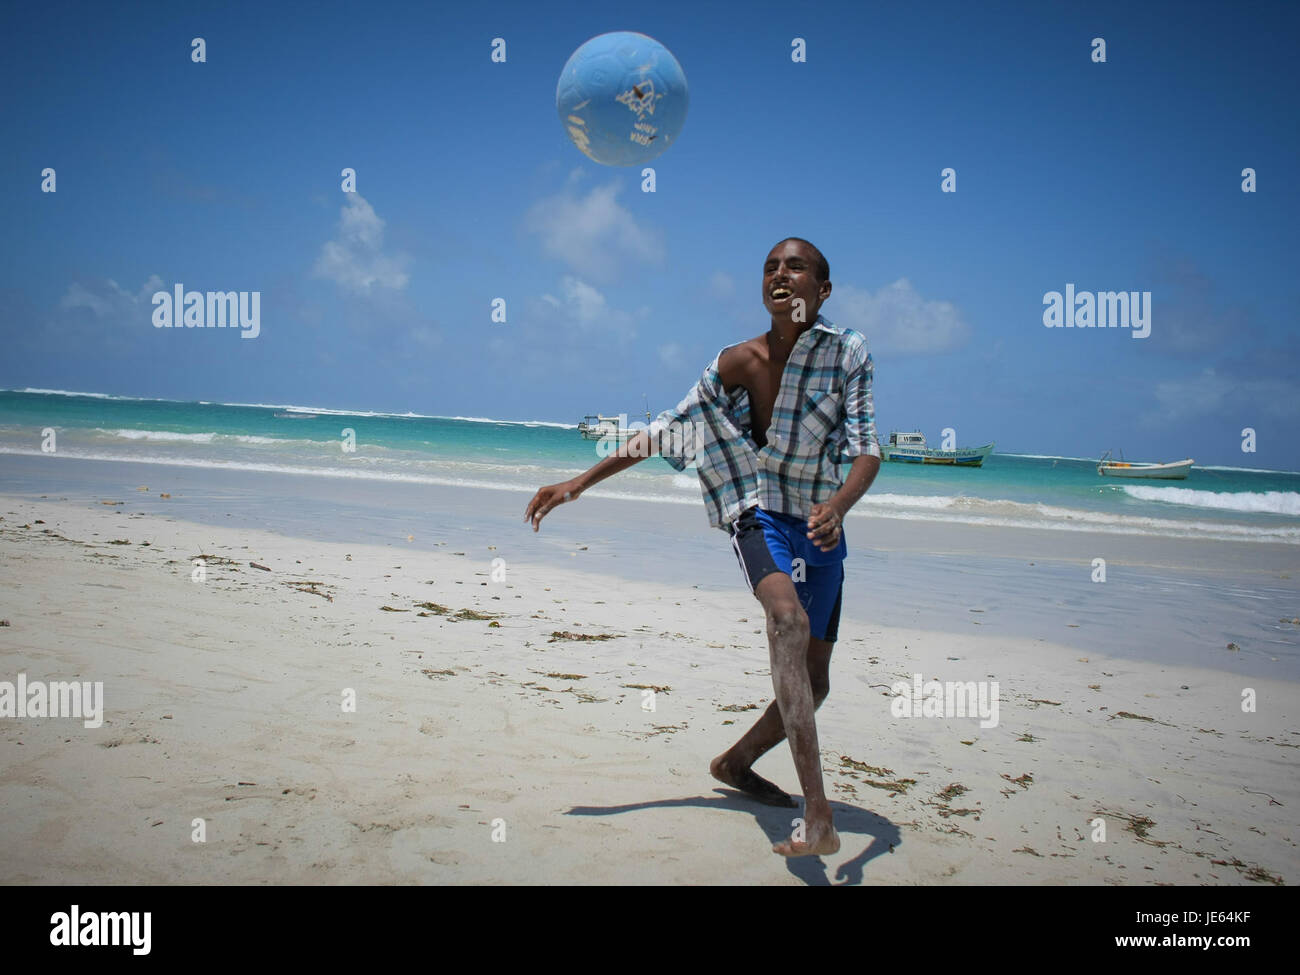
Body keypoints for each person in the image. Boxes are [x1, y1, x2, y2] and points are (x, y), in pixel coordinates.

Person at [524, 238, 881, 857]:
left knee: (815, 683)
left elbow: (868, 448)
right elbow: (668, 429)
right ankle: (817, 814)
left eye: (795, 267)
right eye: (770, 266)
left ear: (822, 291)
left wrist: (840, 505)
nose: (779, 274)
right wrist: (578, 483)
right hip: (757, 508)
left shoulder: (848, 352)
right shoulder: (736, 361)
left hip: (821, 518)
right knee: (787, 624)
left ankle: (735, 763)